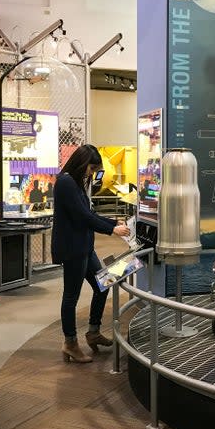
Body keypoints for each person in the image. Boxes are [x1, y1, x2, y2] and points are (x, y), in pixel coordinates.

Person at [51, 144, 130, 363]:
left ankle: (93, 332)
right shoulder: (66, 182)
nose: (92, 173)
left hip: (84, 246)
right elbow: (82, 217)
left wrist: (113, 222)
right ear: (83, 163)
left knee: (103, 284)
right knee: (71, 297)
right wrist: (112, 228)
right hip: (73, 249)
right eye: (92, 168)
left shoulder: (74, 183)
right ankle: (70, 343)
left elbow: (88, 213)